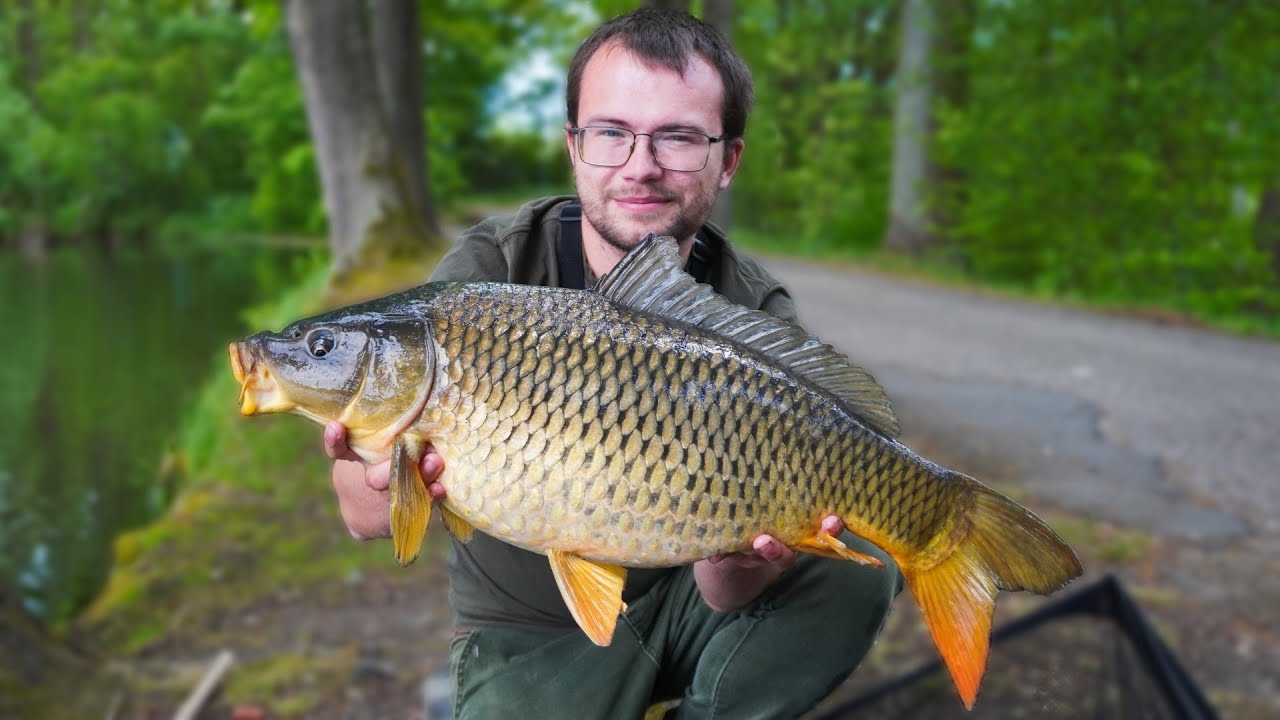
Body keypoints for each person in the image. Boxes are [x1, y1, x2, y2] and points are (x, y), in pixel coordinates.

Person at [324, 8, 901, 718]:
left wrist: (738, 558)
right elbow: (360, 515)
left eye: (680, 138)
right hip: (534, 635)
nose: (640, 166)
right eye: (611, 133)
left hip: (695, 598)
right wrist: (383, 471)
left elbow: (726, 593)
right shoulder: (486, 277)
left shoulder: (753, 312)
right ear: (575, 146)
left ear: (729, 160)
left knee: (867, 567)